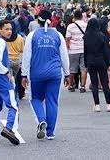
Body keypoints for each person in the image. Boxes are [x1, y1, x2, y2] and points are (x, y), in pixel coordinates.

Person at [21, 10, 70, 140]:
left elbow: (27, 56)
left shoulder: (32, 35)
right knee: (52, 101)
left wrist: (24, 75)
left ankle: (41, 120)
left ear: (38, 21)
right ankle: (50, 132)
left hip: (37, 73)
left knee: (36, 98)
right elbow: (64, 56)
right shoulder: (58, 35)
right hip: (55, 73)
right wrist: (67, 74)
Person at [83, 17, 110, 112]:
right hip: (101, 60)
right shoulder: (101, 35)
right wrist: (109, 62)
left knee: (94, 83)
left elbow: (85, 51)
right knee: (105, 82)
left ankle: (97, 105)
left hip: (90, 61)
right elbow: (106, 50)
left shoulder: (86, 36)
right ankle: (108, 104)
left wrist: (86, 64)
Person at [65, 9, 87, 93]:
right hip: (84, 49)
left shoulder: (70, 26)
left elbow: (67, 38)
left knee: (72, 69)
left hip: (73, 50)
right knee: (83, 69)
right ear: (82, 16)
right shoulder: (86, 25)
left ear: (74, 17)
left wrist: (67, 47)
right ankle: (82, 86)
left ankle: (71, 85)